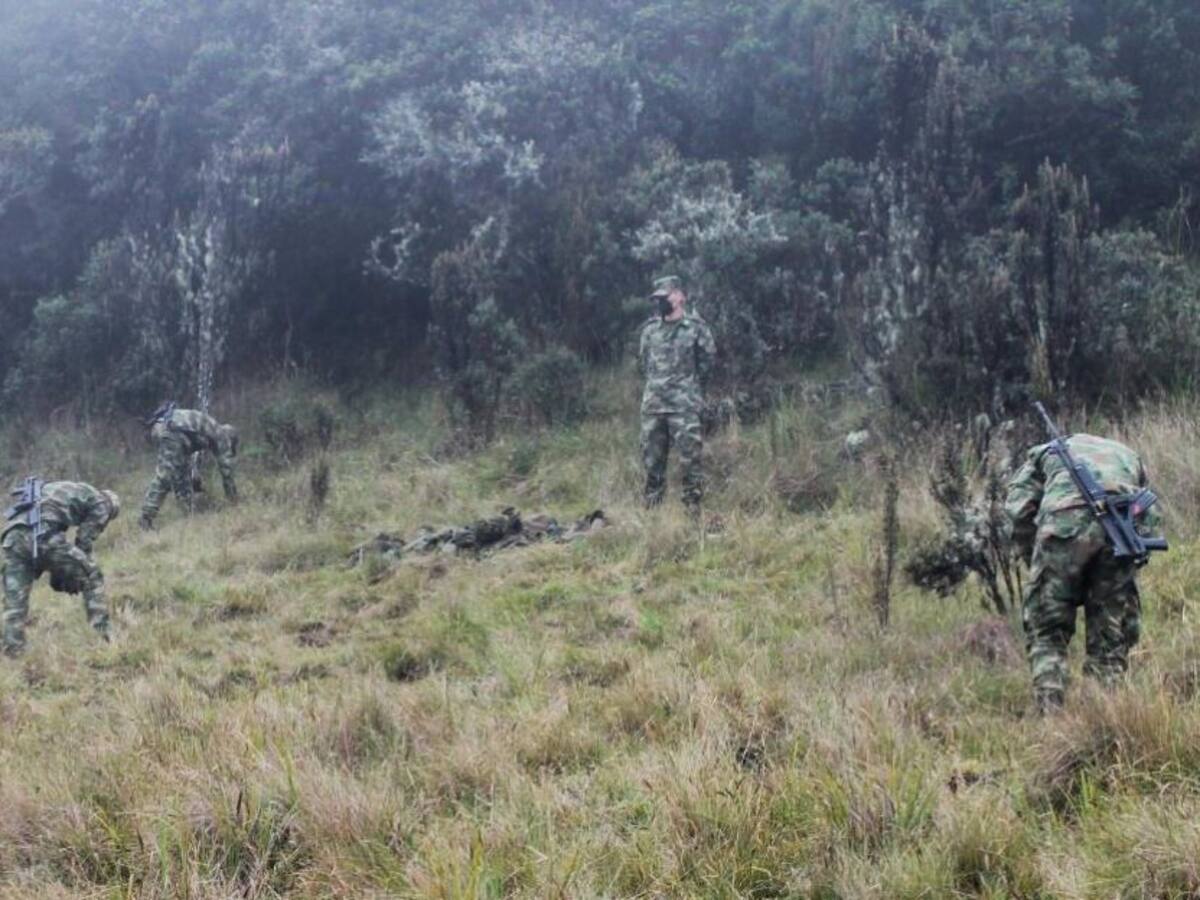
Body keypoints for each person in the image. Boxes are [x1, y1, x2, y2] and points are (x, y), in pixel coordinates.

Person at [1006, 432, 1162, 712]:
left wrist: (1036, 561)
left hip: (1062, 530)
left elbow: (1018, 508)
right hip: (1118, 535)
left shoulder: (1045, 452)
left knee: (1047, 629)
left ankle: (1050, 711)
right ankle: (1103, 716)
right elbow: (1148, 512)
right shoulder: (1128, 455)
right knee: (1110, 636)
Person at [2, 479, 119, 656]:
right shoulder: (102, 503)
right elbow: (84, 542)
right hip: (42, 534)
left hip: (12, 538)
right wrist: (73, 575)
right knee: (93, 575)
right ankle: (104, 635)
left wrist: (61, 571)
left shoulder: (65, 487)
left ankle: (13, 651)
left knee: (15, 602)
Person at [637, 275, 717, 511]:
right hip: (654, 406)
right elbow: (644, 365)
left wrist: (689, 389)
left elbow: (707, 363)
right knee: (652, 460)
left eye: (666, 296)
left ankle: (692, 508)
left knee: (690, 459)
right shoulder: (649, 331)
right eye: (657, 298)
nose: (661, 302)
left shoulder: (695, 329)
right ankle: (653, 511)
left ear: (680, 296)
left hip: (684, 405)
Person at [139, 402, 239, 529]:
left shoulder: (211, 427)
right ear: (231, 441)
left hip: (170, 429)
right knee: (165, 476)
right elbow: (227, 472)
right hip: (172, 431)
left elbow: (194, 449)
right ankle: (146, 518)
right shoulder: (222, 437)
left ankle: (189, 514)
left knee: (181, 473)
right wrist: (233, 500)